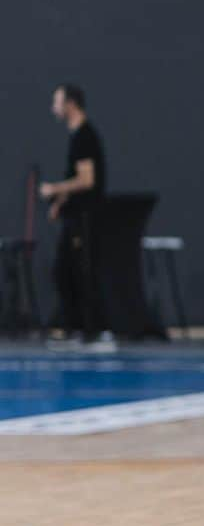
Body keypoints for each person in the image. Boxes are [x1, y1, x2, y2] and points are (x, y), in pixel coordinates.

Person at [39, 83, 110, 346]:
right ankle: (76, 328)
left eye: (57, 102)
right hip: (75, 214)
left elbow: (87, 180)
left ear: (70, 104)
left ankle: (90, 330)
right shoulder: (77, 136)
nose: (53, 108)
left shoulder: (84, 137)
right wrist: (61, 201)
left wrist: (54, 189)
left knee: (80, 271)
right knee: (65, 270)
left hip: (85, 217)